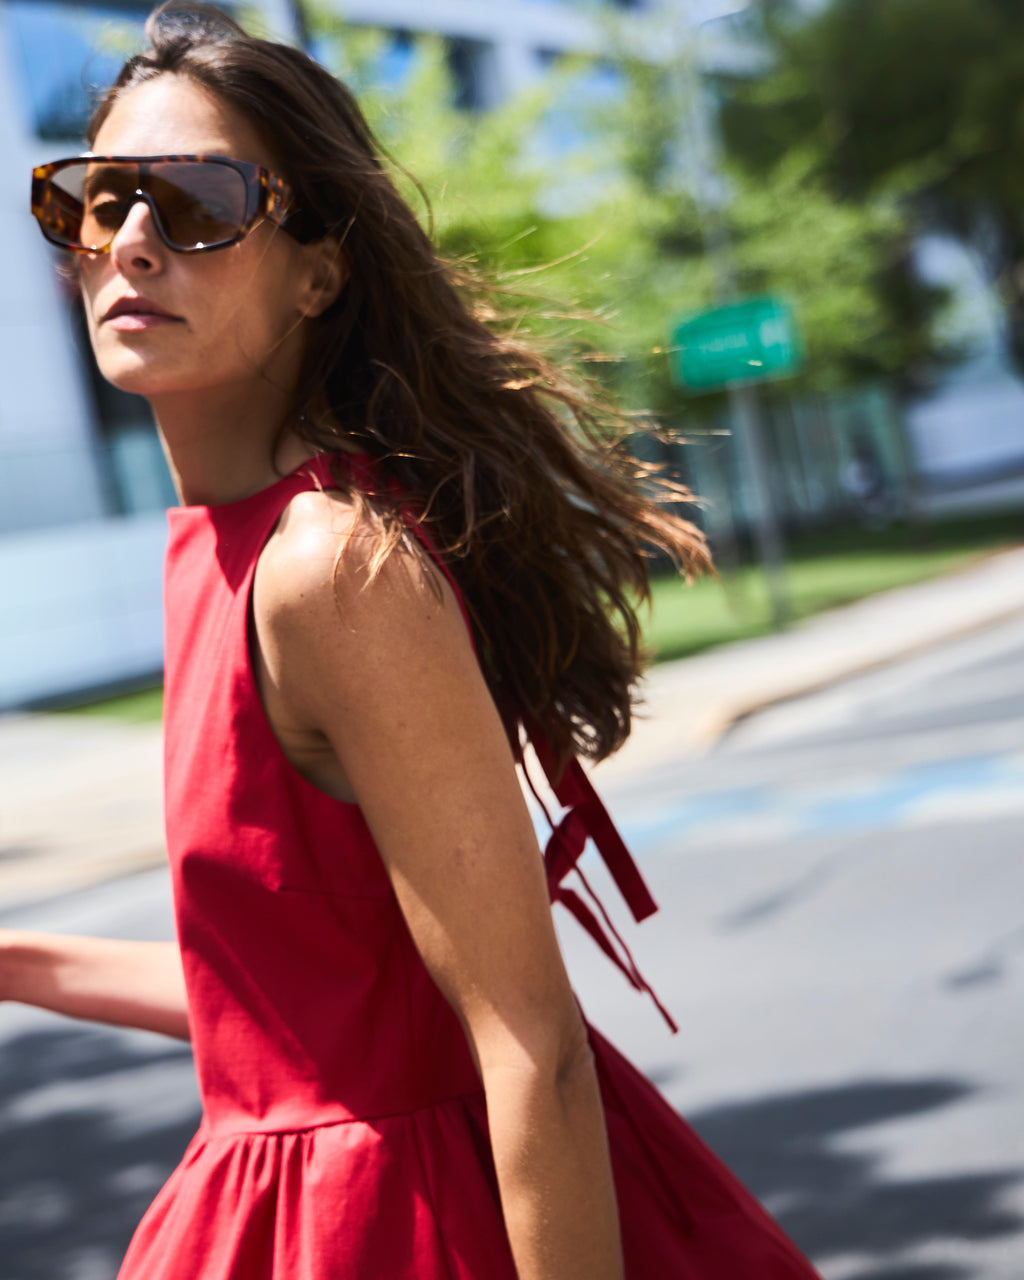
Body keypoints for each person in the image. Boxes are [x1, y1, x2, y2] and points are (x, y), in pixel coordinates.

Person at [6, 5, 824, 1277]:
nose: (131, 241)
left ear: (318, 270)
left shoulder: (328, 567)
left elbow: (530, 1045)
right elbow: (291, 1010)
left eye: (200, 201)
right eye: (96, 199)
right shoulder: (220, 551)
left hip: (416, 1226)